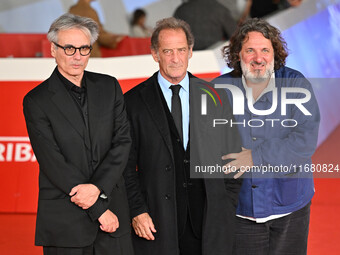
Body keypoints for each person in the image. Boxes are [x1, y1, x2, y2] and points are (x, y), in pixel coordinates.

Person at [123, 17, 243, 255]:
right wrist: (137, 210)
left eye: (181, 50)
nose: (175, 58)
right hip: (157, 223)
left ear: (190, 51)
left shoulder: (214, 96)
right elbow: (125, 167)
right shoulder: (133, 102)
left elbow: (234, 157)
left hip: (209, 222)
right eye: (167, 51)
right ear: (155, 54)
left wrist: (225, 205)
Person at [23, 13, 133, 255]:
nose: (77, 56)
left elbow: (122, 143)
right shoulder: (36, 100)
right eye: (69, 48)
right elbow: (53, 162)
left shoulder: (110, 87)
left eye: (84, 48)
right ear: (53, 50)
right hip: (66, 222)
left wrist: (97, 189)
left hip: (114, 217)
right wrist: (98, 209)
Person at [213, 18, 320, 254]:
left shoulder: (296, 85)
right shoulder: (218, 91)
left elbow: (304, 141)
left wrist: (255, 157)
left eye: (265, 50)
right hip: (241, 210)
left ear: (275, 53)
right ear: (237, 54)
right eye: (250, 50)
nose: (258, 58)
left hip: (291, 205)